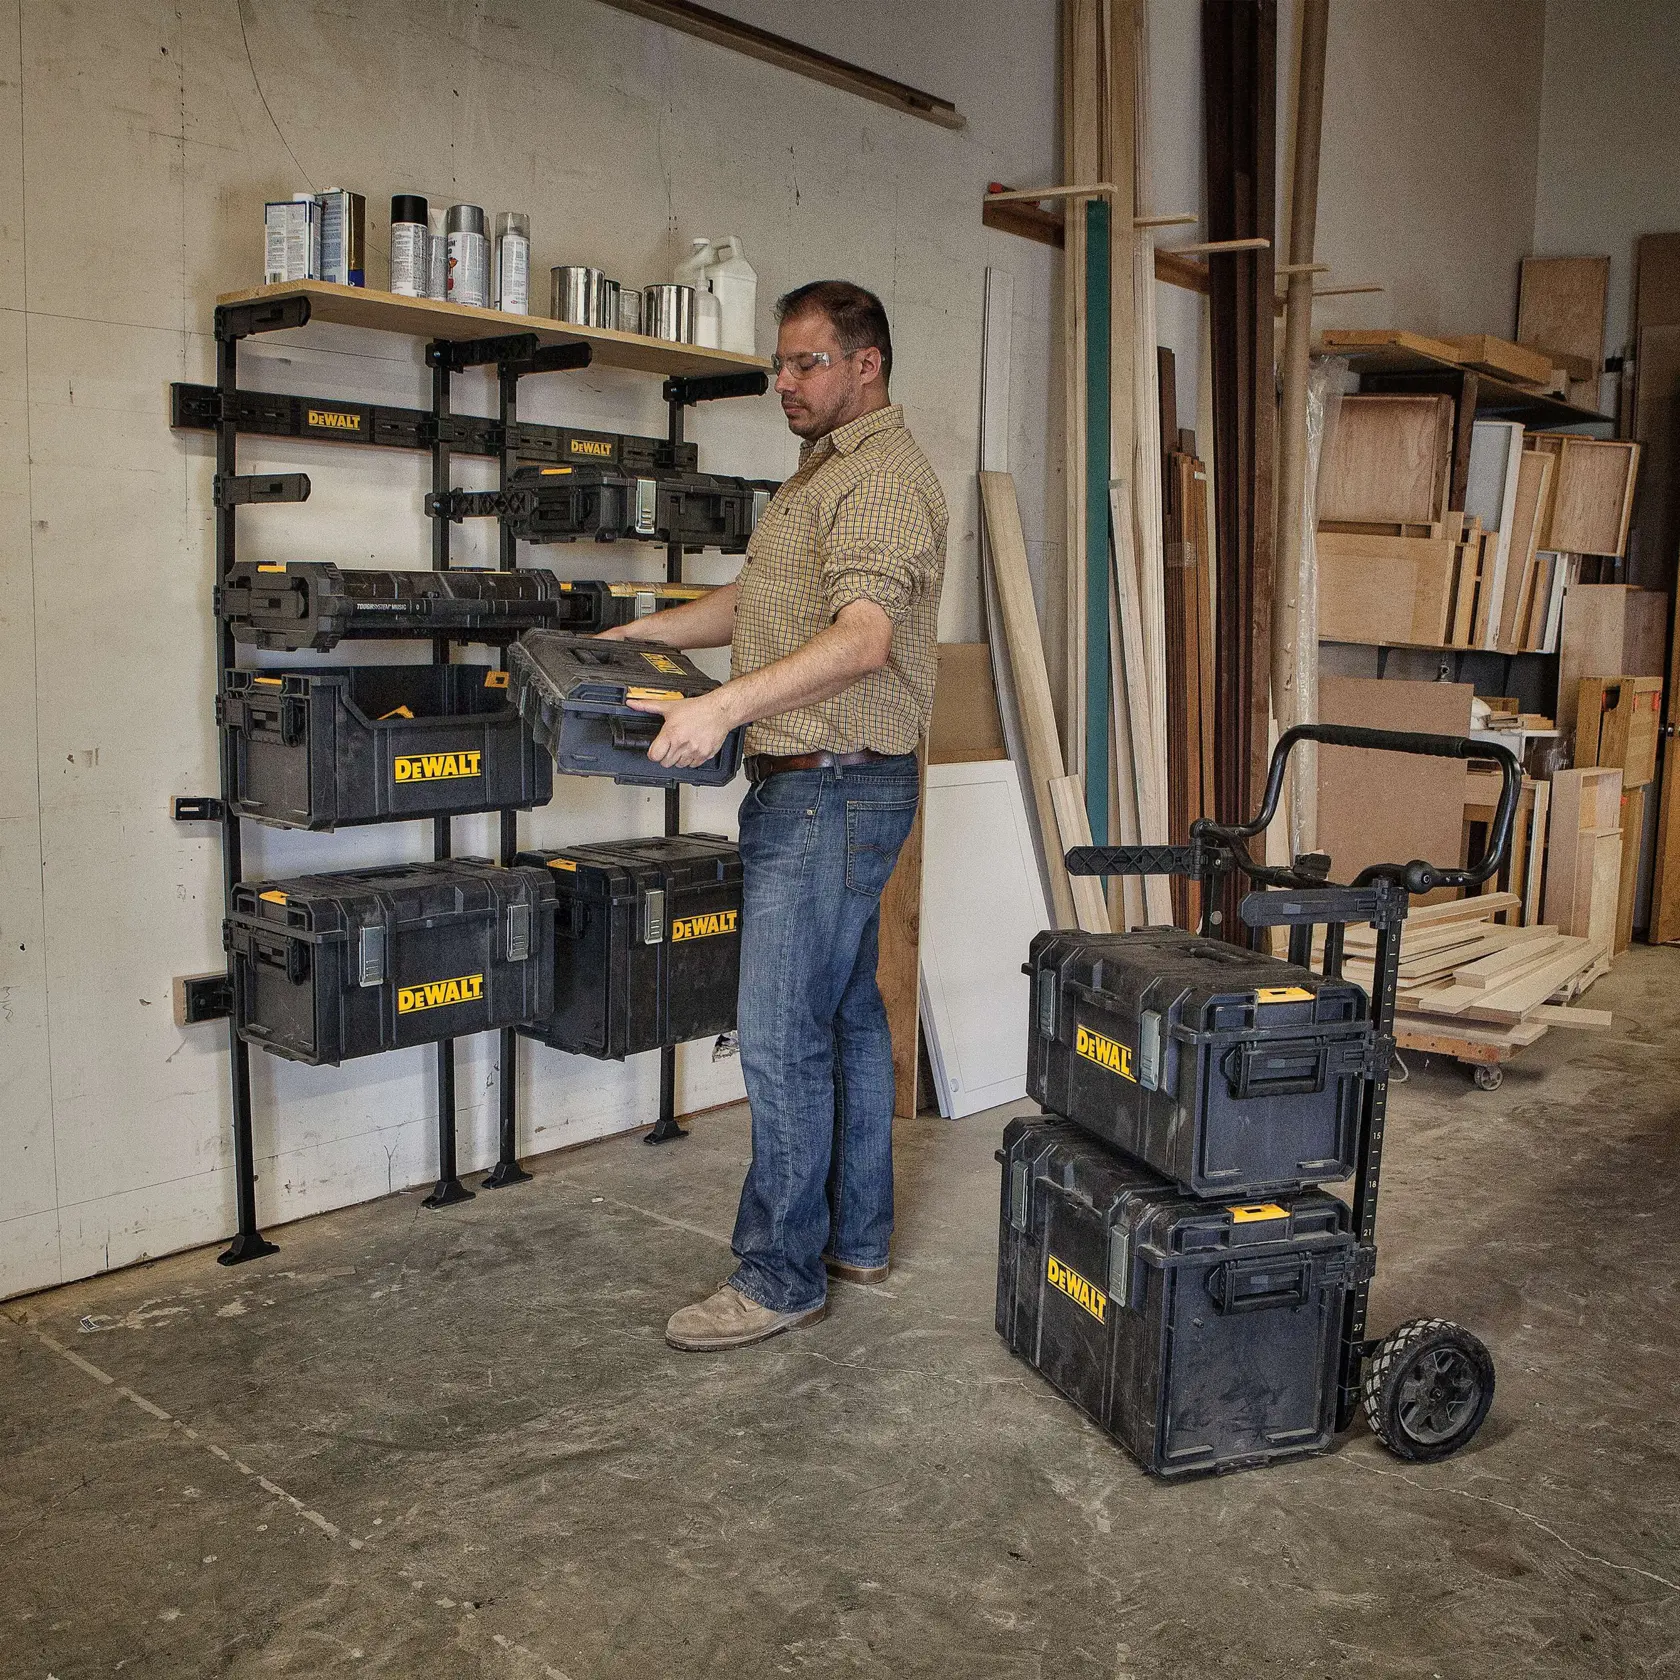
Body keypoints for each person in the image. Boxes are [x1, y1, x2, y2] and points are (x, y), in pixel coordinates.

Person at [596, 279, 948, 1351]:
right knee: (841, 1020)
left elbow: (860, 640)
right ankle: (857, 1237)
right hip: (822, 786)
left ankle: (779, 1274)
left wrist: (720, 707)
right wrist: (640, 639)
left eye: (807, 364)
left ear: (867, 365)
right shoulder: (821, 476)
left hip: (833, 786)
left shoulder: (882, 478)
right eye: (779, 365)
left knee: (782, 1037)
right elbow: (760, 606)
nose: (784, 384)